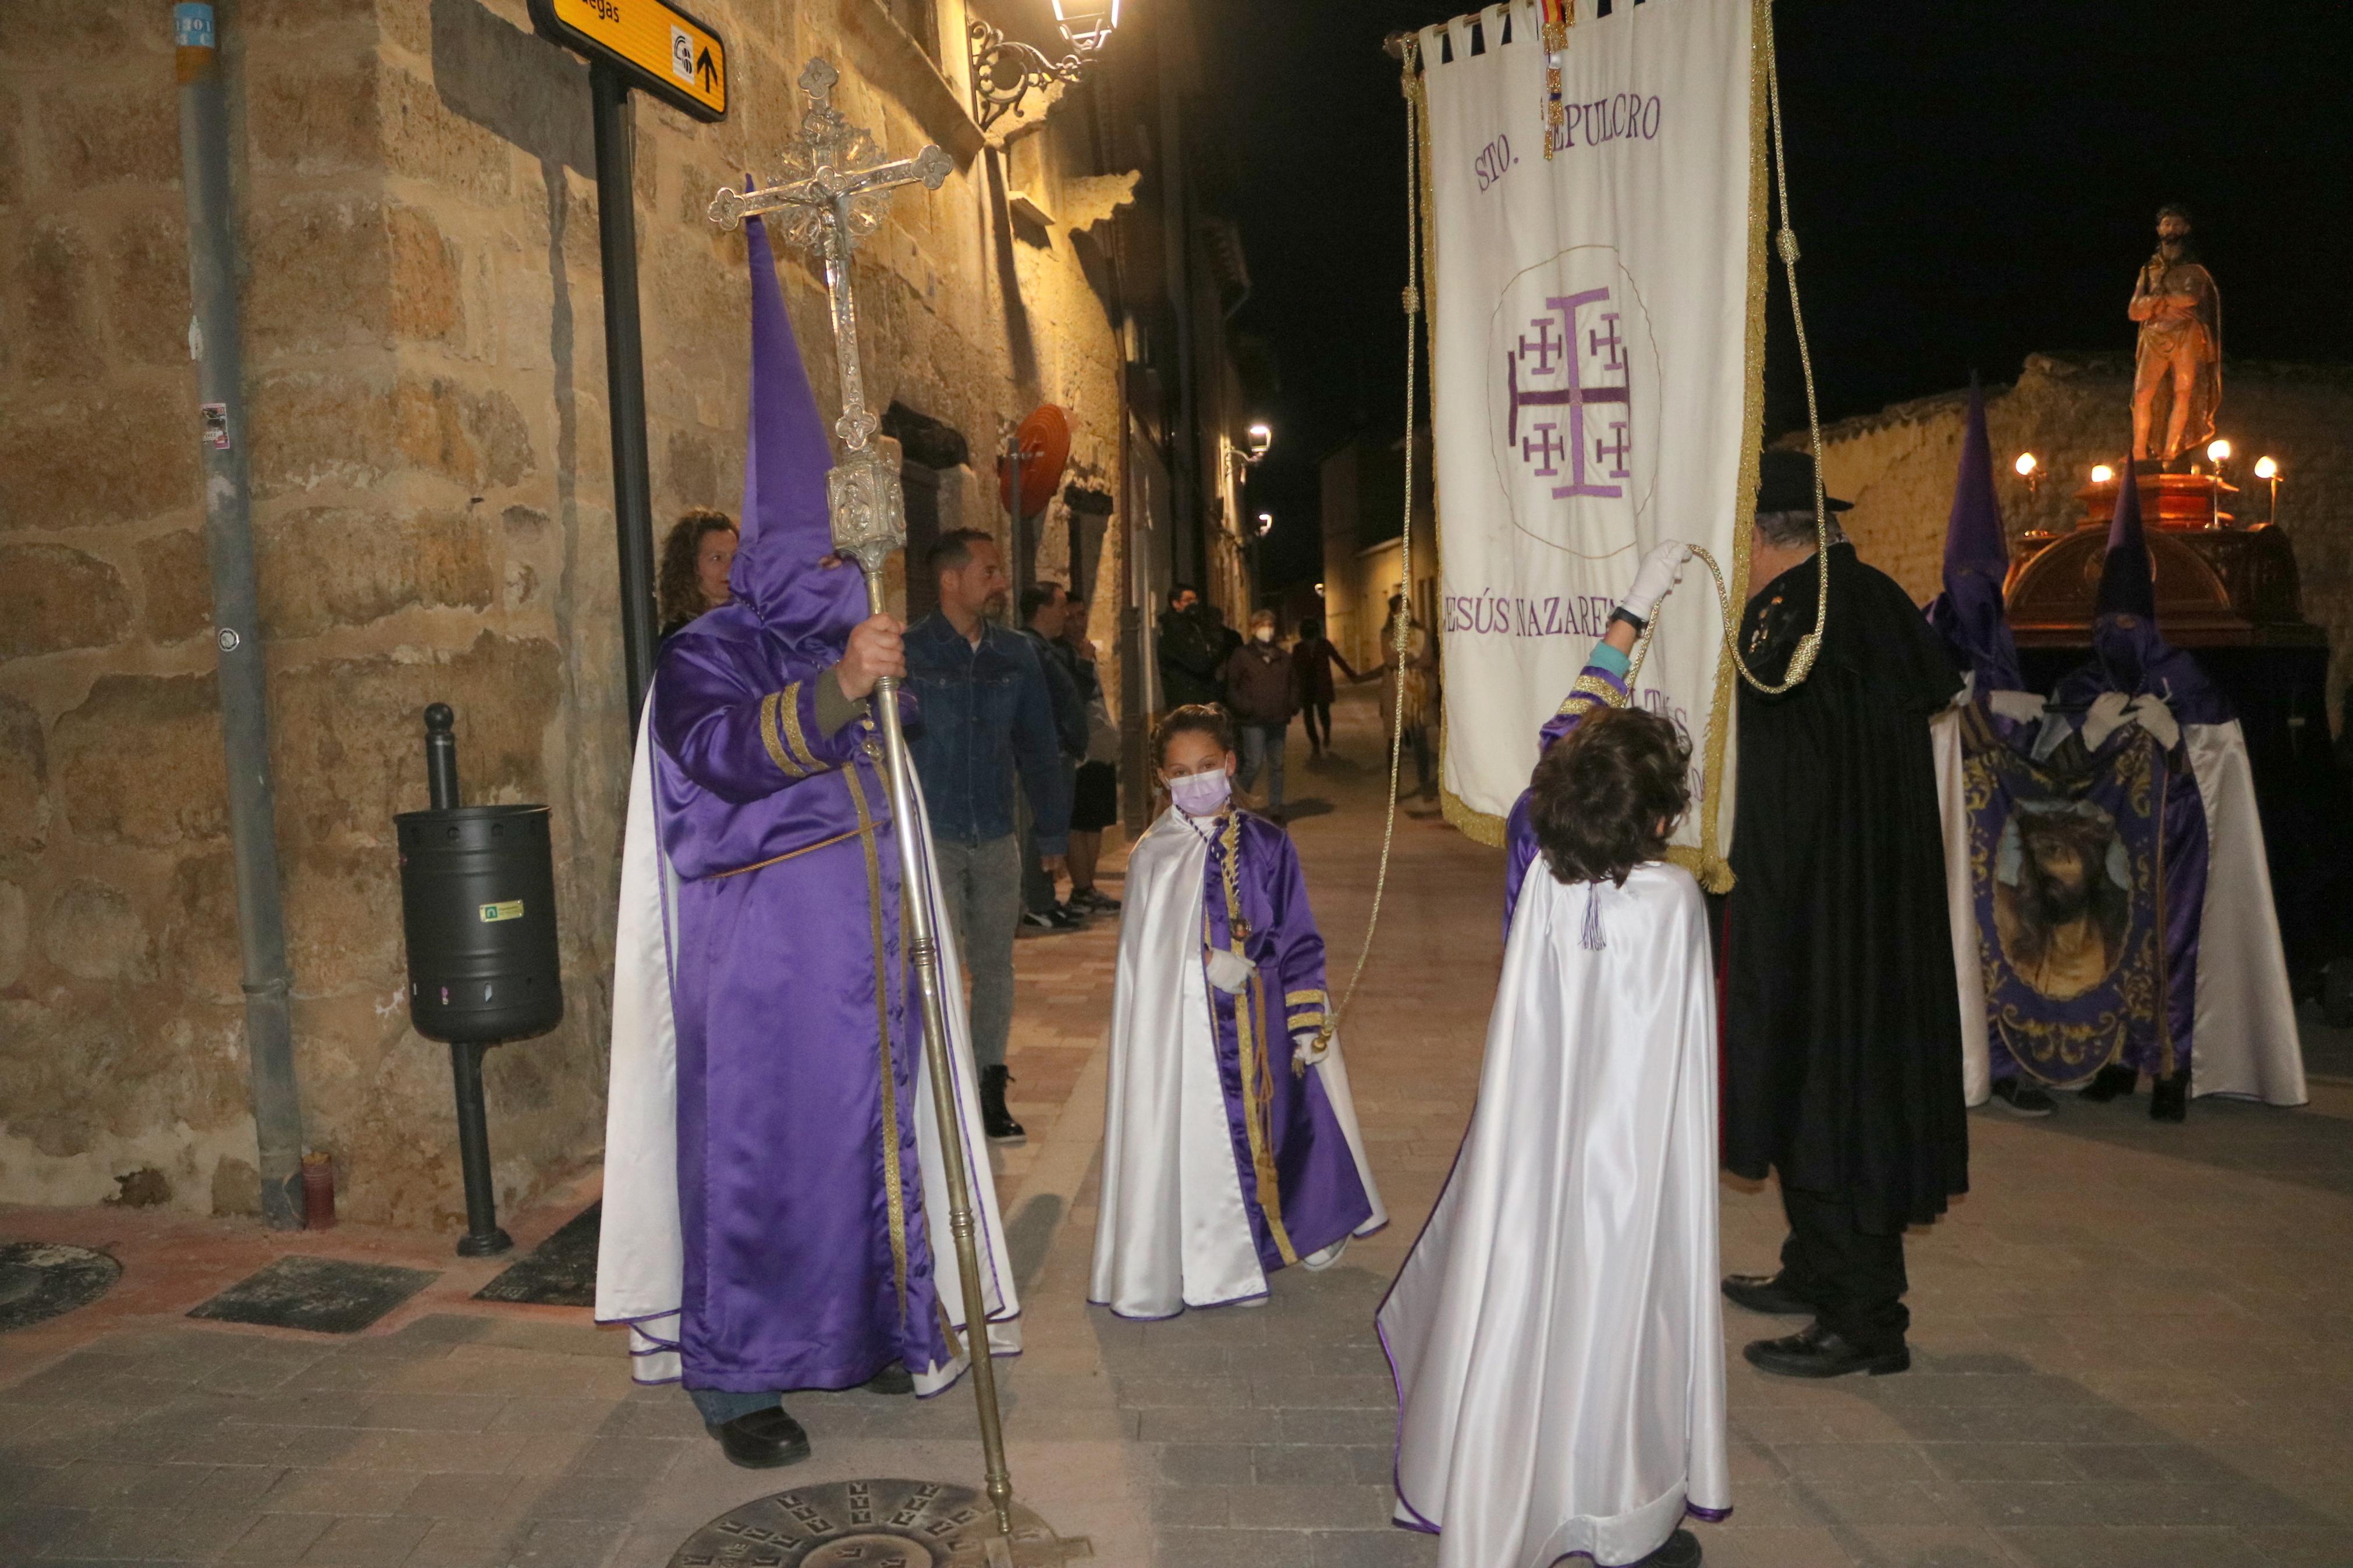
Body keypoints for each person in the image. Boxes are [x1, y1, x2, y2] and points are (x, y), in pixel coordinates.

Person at [597, 214, 1017, 1472]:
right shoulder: (705, 653)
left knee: (867, 1157)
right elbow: (723, 759)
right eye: (820, 552)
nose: (839, 570)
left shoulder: (852, 642)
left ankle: (869, 1329)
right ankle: (738, 1378)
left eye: (846, 553)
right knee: (764, 1169)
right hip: (765, 970)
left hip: (868, 962)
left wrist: (880, 682)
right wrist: (838, 688)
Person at [1382, 546, 1726, 1568]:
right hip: (1629, 1178)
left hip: (1534, 1158)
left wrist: (1624, 618)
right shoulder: (1671, 906)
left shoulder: (1541, 866)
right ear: (1662, 820)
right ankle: (1614, 1516)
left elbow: (1560, 739)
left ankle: (1503, 1491)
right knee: (1621, 1326)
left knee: (1528, 1311)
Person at [1720, 448, 1969, 1380]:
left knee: (1833, 1094)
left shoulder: (1802, 615)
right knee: (1808, 1083)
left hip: (1821, 909)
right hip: (1863, 899)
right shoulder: (1862, 598)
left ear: (1763, 538)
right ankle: (1813, 1266)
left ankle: (1863, 1318)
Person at [1089, 705, 1385, 1318]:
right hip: (1194, 1040)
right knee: (1209, 1141)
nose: (1194, 781)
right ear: (1162, 781)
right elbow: (1151, 958)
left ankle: (1306, 1230)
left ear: (1228, 764)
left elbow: (1298, 930)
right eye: (1179, 772)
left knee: (1295, 1122)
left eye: (1205, 766)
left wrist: (1305, 1018)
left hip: (1266, 1015)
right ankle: (1221, 1248)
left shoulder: (1270, 844)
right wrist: (1202, 963)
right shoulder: (1154, 855)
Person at [904, 529, 1075, 1144]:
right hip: (934, 838)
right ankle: (938, 1086)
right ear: (950, 580)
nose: (1001, 582)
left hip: (997, 832)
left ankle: (986, 1081)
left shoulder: (1016, 654)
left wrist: (1050, 831)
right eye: (989, 571)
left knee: (995, 966)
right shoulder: (908, 652)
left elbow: (1037, 745)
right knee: (936, 966)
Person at [1017, 581, 1089, 931]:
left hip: (1060, 748)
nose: (1066, 614)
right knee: (1041, 829)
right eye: (1061, 606)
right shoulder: (1029, 649)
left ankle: (1046, 900)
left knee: (1051, 826)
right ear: (1043, 609)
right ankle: (1037, 903)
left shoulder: (1049, 649)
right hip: (1049, 750)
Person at [1062, 614, 1123, 914]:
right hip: (1079, 751)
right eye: (1071, 614)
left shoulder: (1083, 651)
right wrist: (1084, 663)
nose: (1079, 621)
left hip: (1099, 747)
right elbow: (1072, 697)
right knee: (1079, 821)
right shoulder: (1060, 655)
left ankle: (1088, 887)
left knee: (1095, 820)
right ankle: (1081, 889)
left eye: (1084, 614)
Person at [1222, 609, 1300, 820]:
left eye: (1270, 625)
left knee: (1277, 764)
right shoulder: (1242, 655)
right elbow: (1233, 687)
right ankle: (1237, 802)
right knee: (1253, 763)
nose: (1267, 630)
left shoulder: (1283, 657)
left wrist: (1292, 704)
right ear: (1253, 629)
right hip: (1253, 720)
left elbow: (1293, 683)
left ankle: (1275, 807)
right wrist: (1245, 708)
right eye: (1262, 626)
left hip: (1277, 718)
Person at [1361, 594, 1438, 797]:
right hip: (1395, 694)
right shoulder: (1388, 634)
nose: (1406, 612)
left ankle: (1424, 784)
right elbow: (1391, 659)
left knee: (1420, 740)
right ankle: (1394, 785)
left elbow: (1428, 658)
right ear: (1393, 612)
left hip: (1418, 695)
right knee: (1394, 743)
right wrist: (1413, 658)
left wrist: (1407, 660)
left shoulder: (1421, 633)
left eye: (1408, 608)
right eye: (1401, 609)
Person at [656, 508, 738, 639]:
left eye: (736, 557)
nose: (731, 568)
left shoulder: (748, 626)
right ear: (689, 566)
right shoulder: (683, 640)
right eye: (717, 558)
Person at [1291, 615, 1358, 759]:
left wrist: (1352, 675)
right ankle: (1315, 742)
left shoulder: (1324, 645)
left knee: (1324, 714)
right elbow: (1293, 669)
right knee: (1308, 717)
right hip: (1307, 687)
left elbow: (1338, 659)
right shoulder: (1299, 648)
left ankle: (1326, 735)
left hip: (1321, 685)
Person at [1156, 584, 1223, 709]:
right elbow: (1195, 661)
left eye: (1195, 600)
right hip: (1186, 696)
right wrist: (1209, 661)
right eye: (1187, 601)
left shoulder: (1196, 625)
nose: (1193, 604)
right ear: (1176, 604)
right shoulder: (1173, 630)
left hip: (1203, 694)